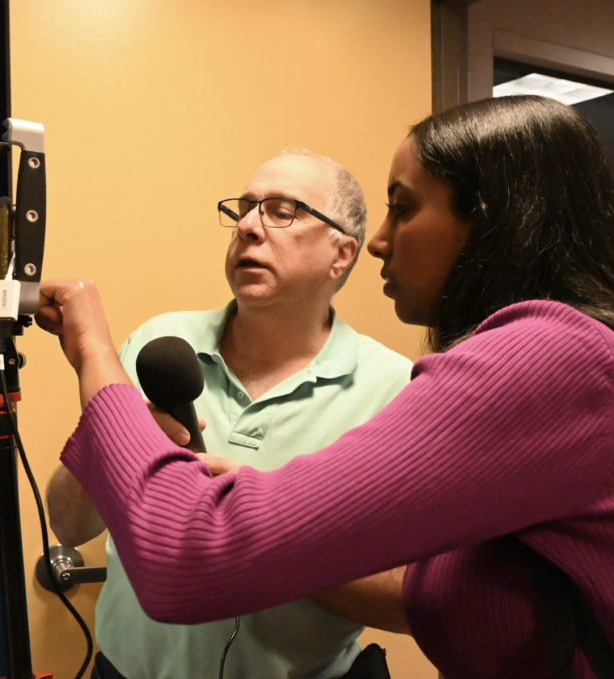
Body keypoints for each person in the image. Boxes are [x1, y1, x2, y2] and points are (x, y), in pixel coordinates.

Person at [37, 96, 614, 678]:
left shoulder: (548, 362)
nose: (386, 241)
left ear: (489, 219)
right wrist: (285, 528)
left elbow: (186, 556)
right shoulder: (595, 354)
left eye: (402, 205)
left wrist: (92, 346)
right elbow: (450, 589)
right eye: (245, 209)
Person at [44, 150, 413, 679]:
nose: (246, 227)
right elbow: (67, 523)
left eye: (282, 210)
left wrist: (268, 524)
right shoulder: (158, 343)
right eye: (244, 208)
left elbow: (406, 600)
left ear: (342, 254)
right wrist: (115, 446)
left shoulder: (393, 389)